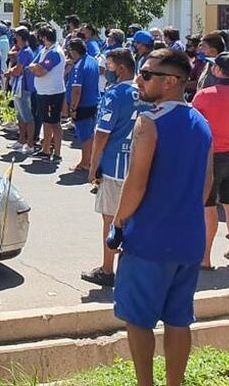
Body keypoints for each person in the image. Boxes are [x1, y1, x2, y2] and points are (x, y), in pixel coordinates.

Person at [112, 49, 212, 386]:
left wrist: (119, 221)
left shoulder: (149, 122)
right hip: (188, 238)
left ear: (170, 82)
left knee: (138, 320)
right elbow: (206, 186)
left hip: (150, 239)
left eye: (146, 74)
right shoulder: (202, 123)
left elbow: (135, 183)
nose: (138, 79)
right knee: (178, 318)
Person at [82, 48, 146, 287]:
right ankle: (131, 270)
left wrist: (93, 163)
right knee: (134, 221)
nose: (105, 70)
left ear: (120, 68)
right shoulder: (144, 93)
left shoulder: (114, 94)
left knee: (111, 221)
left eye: (108, 66)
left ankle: (108, 270)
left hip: (115, 167)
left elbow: (102, 133)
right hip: (138, 166)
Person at [192, 52, 229, 268]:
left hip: (209, 155)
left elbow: (194, 127)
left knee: (208, 206)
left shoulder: (204, 95)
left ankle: (205, 258)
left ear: (217, 70)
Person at [29, 25, 67, 162]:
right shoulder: (45, 50)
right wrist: (35, 67)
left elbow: (40, 71)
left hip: (52, 93)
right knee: (46, 121)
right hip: (43, 92)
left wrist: (35, 68)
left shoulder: (54, 53)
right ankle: (45, 149)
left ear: (44, 37)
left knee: (54, 123)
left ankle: (57, 153)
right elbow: (33, 64)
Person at [68, 38, 101, 172]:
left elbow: (76, 91)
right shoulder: (92, 60)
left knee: (85, 136)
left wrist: (73, 108)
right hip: (93, 102)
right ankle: (90, 161)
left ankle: (85, 163)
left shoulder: (79, 67)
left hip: (83, 105)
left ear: (74, 52)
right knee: (90, 134)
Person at [7, 27, 37, 153]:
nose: (15, 39)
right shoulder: (23, 51)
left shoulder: (25, 52)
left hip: (24, 87)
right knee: (20, 115)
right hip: (20, 87)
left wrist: (9, 72)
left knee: (27, 116)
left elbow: (18, 70)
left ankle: (29, 144)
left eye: (17, 36)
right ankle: (21, 140)